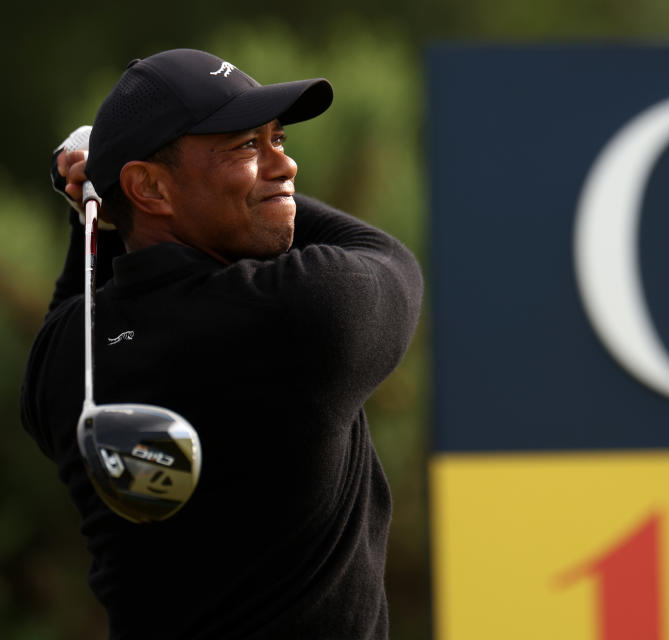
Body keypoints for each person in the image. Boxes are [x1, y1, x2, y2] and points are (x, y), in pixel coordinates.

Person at [19, 48, 423, 639]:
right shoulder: (300, 312)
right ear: (151, 187)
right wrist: (103, 185)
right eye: (246, 147)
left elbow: (80, 294)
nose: (285, 166)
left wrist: (107, 195)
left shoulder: (63, 361)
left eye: (278, 139)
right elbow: (389, 259)